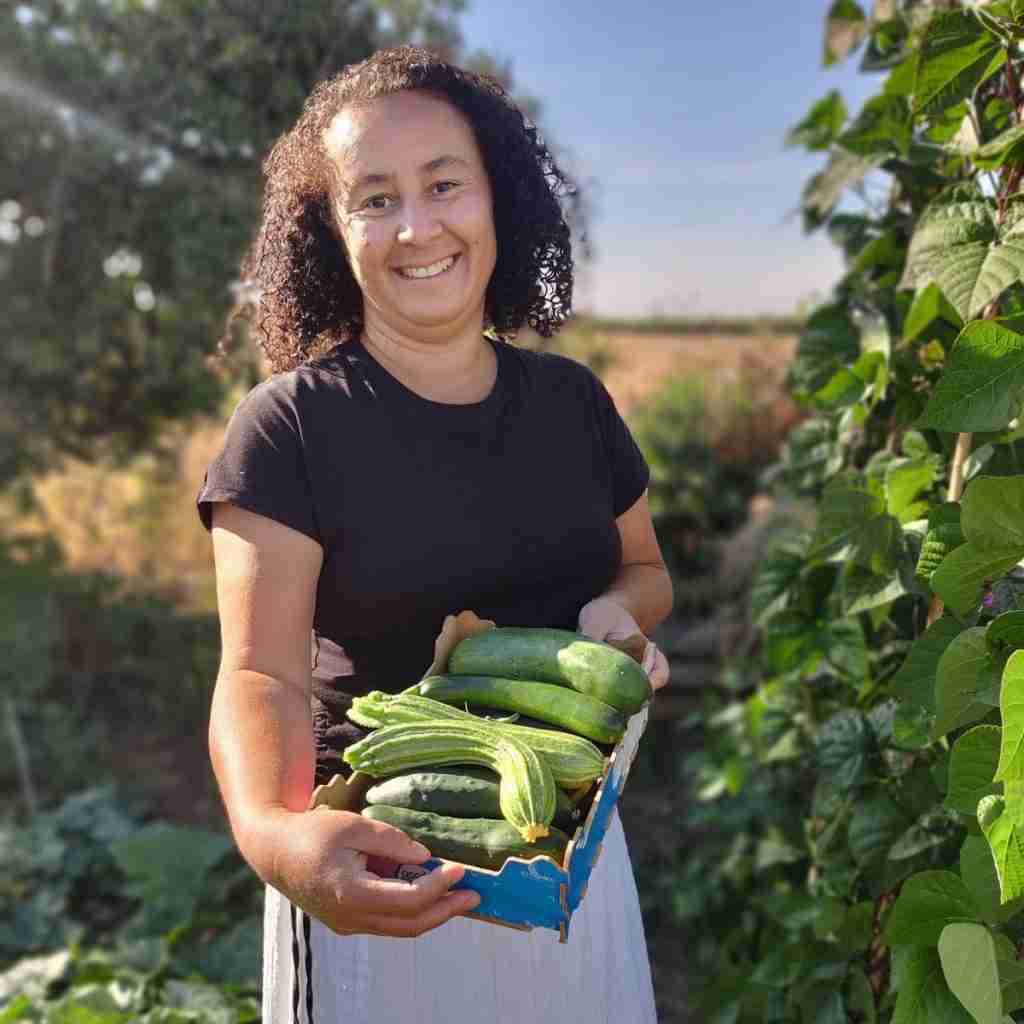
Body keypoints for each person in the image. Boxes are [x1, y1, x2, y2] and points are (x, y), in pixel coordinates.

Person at [196, 45, 673, 1024]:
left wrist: (613, 615)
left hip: (569, 850)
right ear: (331, 230)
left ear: (497, 197)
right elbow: (258, 675)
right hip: (383, 870)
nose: (418, 226)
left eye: (444, 183)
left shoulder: (573, 404)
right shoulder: (289, 427)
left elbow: (644, 568)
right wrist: (278, 840)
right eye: (373, 198)